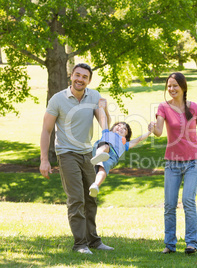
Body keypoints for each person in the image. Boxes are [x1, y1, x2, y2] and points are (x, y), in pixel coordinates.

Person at [39, 63, 114, 254]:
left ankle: (94, 241)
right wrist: (44, 160)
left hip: (87, 153)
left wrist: (104, 109)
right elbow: (46, 131)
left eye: (84, 77)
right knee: (76, 199)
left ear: (89, 80)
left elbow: (105, 123)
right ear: (71, 76)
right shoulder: (58, 99)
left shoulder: (94, 96)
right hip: (66, 153)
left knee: (91, 198)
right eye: (77, 75)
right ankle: (80, 244)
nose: (80, 79)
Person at [148, 72, 197, 255]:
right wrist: (153, 128)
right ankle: (170, 244)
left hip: (194, 161)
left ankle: (191, 243)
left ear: (183, 87)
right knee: (169, 204)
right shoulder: (163, 107)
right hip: (172, 163)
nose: (171, 89)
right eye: (169, 86)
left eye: (175, 86)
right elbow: (158, 131)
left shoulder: (194, 108)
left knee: (188, 199)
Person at [89, 102, 153, 197]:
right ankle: (99, 155)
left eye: (124, 129)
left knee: (103, 170)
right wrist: (102, 107)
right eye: (118, 125)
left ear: (126, 136)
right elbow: (103, 118)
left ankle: (95, 185)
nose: (121, 128)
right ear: (113, 127)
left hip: (112, 157)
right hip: (102, 147)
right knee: (106, 146)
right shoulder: (107, 132)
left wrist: (149, 132)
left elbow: (139, 139)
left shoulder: (125, 144)